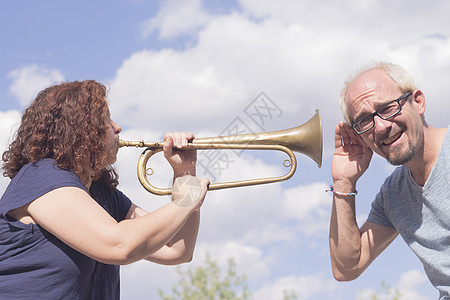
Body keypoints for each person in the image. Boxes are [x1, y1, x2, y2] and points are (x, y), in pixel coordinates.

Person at [0, 80, 210, 299]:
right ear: (77, 127)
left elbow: (177, 250)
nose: (117, 127)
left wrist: (185, 171)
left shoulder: (103, 196)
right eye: (105, 119)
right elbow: (119, 245)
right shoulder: (41, 177)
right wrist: (185, 201)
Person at [329, 61, 449, 298]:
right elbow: (347, 268)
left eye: (387, 108)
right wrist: (343, 182)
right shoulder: (393, 195)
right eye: (364, 120)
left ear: (418, 102)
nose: (381, 126)